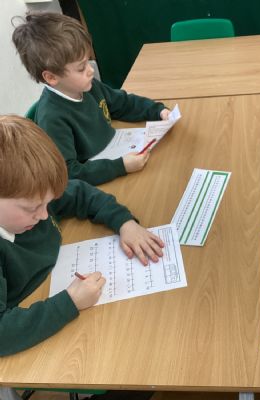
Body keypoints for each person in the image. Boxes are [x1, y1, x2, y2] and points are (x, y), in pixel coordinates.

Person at [0, 115, 164, 357]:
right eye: (32, 208)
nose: (44, 215)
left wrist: (124, 222)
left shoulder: (33, 194)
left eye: (48, 203)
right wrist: (70, 302)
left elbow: (80, 193)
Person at [12, 12, 171, 186]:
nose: (90, 70)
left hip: (117, 152)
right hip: (98, 182)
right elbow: (68, 173)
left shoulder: (87, 86)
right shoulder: (52, 118)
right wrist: (120, 166)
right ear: (51, 77)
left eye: (88, 61)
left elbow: (122, 103)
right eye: (81, 68)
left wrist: (157, 111)